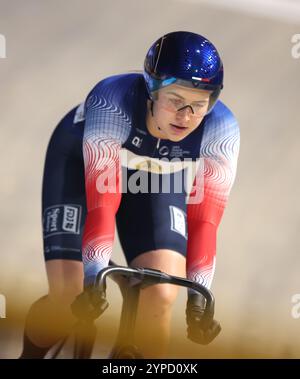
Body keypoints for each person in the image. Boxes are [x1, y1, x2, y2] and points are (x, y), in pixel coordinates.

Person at [19, 31, 240, 359]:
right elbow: (102, 204)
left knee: (163, 294)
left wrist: (199, 300)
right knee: (69, 297)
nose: (185, 116)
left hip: (156, 174)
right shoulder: (111, 100)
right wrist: (93, 277)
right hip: (83, 165)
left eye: (198, 104)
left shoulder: (221, 128)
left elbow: (205, 221)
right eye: (175, 100)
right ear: (151, 89)